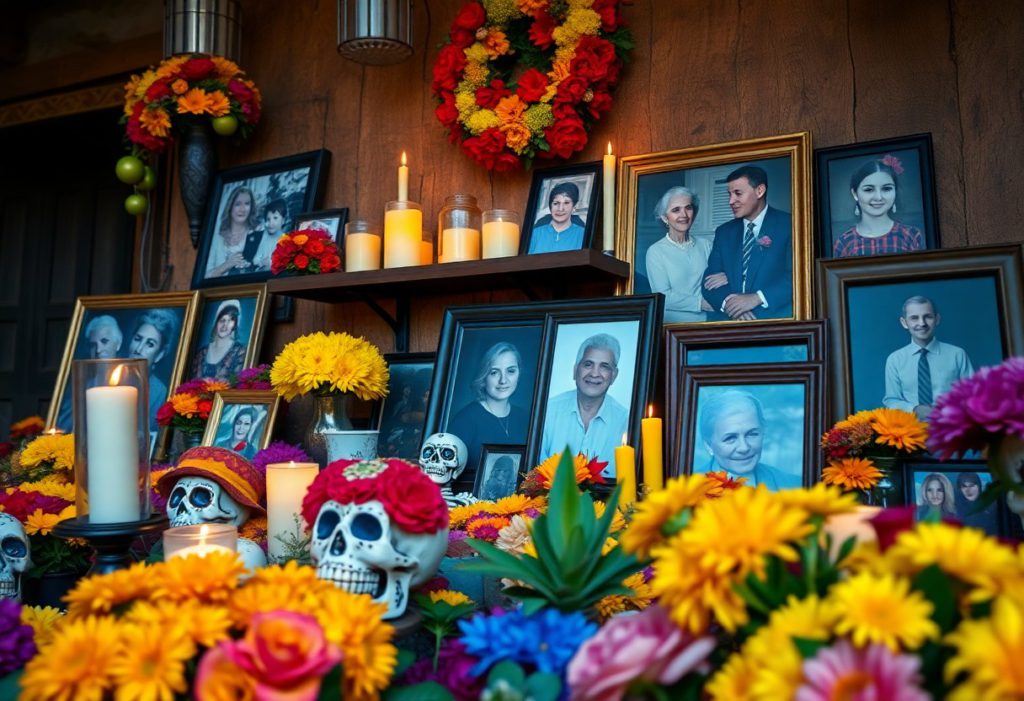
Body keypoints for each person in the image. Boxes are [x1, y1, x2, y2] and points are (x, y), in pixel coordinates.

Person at [701, 165, 793, 321]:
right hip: (727, 323)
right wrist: (732, 306)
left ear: (760, 191)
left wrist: (756, 298)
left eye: (738, 193)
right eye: (729, 194)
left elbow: (797, 276)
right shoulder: (724, 232)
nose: (731, 201)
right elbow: (709, 281)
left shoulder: (790, 224)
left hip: (773, 320)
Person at [540, 333, 628, 478]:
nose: (594, 373)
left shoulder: (626, 422)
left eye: (604, 367)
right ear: (575, 370)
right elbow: (533, 476)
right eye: (588, 364)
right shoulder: (546, 411)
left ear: (614, 376)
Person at [883, 295, 974, 420]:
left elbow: (972, 395)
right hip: (911, 431)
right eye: (914, 318)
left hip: (951, 427)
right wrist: (914, 409)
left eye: (928, 317)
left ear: (937, 319)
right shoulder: (895, 360)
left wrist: (948, 411)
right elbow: (891, 400)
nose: (922, 323)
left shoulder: (957, 355)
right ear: (904, 323)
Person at [447, 342, 530, 475]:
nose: (503, 380)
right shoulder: (465, 420)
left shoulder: (526, 417)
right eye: (494, 372)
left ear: (519, 374)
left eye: (511, 371)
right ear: (483, 376)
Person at [695, 389, 801, 490]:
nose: (744, 448)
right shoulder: (689, 491)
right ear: (708, 446)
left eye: (752, 434)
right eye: (730, 438)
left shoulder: (795, 486)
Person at [645, 186, 714, 323]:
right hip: (672, 326)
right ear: (665, 218)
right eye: (676, 210)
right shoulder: (655, 251)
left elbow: (716, 280)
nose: (684, 215)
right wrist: (700, 303)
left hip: (708, 322)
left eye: (688, 208)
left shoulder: (706, 245)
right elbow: (663, 296)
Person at [832, 156, 924, 258]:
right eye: (869, 190)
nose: (878, 197)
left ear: (895, 191)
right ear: (855, 194)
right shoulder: (844, 243)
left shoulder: (911, 236)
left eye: (886, 189)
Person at [128, 309, 178, 433]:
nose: (138, 349)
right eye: (137, 339)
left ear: (159, 354)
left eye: (150, 344)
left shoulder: (160, 392)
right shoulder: (105, 381)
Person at [206, 186, 259, 278]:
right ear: (230, 207)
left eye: (247, 204)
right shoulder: (217, 239)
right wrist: (227, 265)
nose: (242, 209)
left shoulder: (258, 235)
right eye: (238, 204)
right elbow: (205, 276)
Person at [190, 299, 246, 382]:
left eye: (230, 321)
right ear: (216, 323)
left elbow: (238, 383)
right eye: (222, 320)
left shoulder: (240, 352)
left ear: (235, 325)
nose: (224, 325)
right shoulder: (201, 353)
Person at [527, 182, 586, 254]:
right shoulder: (534, 234)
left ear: (574, 208)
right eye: (556, 203)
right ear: (550, 206)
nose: (560, 209)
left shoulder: (583, 234)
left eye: (566, 203)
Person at [246, 198, 289, 272]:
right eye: (268, 219)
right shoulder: (264, 237)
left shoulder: (286, 240)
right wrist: (261, 262)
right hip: (260, 273)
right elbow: (255, 259)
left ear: (283, 221)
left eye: (275, 218)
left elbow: (285, 262)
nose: (271, 223)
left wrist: (270, 262)